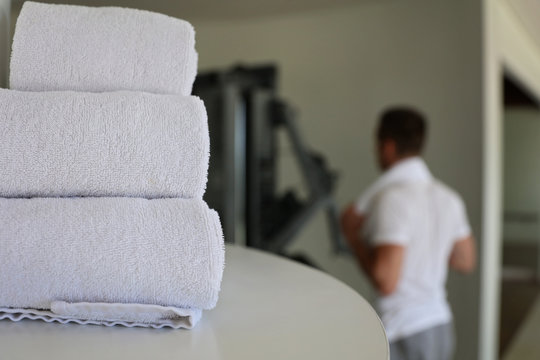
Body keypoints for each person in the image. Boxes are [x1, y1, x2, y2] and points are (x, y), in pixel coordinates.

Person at [341, 107, 476, 360]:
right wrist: (429, 245)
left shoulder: (393, 199)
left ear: (388, 147)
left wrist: (353, 239)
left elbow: (386, 282)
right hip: (440, 327)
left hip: (405, 331)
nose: (375, 152)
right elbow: (465, 261)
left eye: (377, 144)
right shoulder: (449, 199)